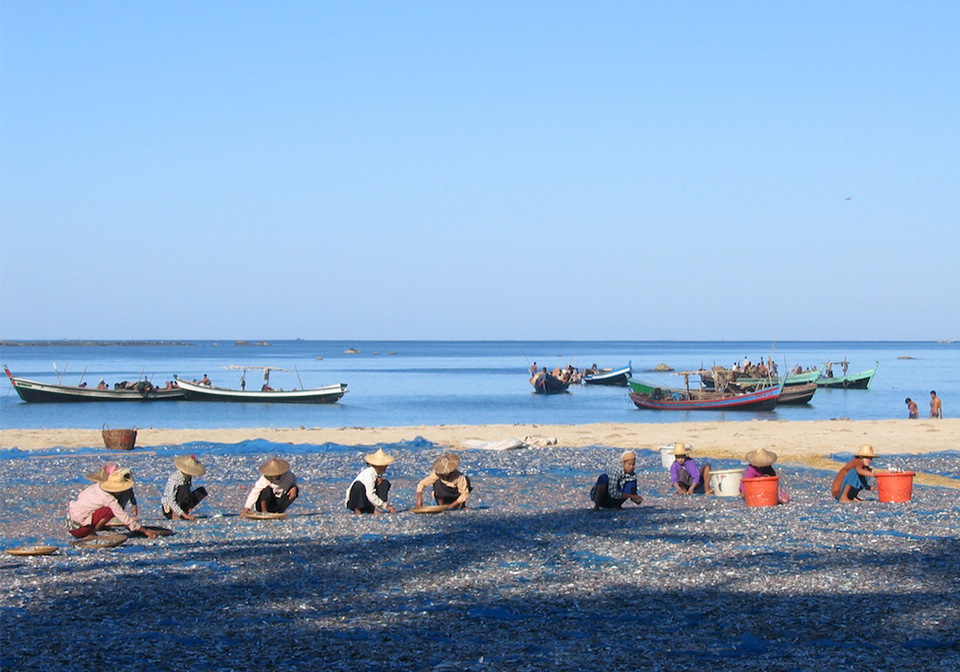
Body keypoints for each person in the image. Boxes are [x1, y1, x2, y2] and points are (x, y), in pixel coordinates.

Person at [68, 468, 158, 539]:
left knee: (101, 509)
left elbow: (80, 497)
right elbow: (125, 518)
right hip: (79, 530)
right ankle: (91, 532)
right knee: (111, 510)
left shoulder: (95, 487)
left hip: (70, 523)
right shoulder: (109, 499)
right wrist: (145, 531)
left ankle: (93, 528)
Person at [345, 448, 397, 514]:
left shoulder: (376, 473)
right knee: (358, 485)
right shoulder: (369, 474)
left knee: (384, 483)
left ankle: (372, 508)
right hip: (355, 500)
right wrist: (386, 506)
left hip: (367, 499)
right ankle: (359, 509)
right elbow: (370, 494)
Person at [161, 455, 208, 520]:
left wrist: (190, 504)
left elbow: (188, 490)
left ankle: (184, 510)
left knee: (201, 491)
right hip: (170, 508)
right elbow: (170, 500)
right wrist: (185, 515)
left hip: (182, 502)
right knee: (184, 489)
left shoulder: (188, 477)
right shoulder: (174, 479)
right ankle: (177, 515)